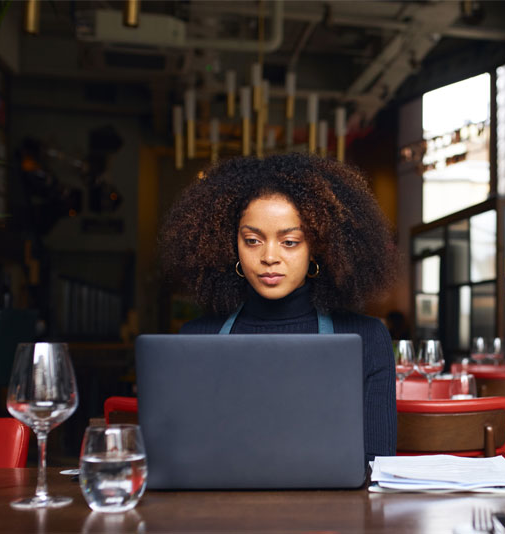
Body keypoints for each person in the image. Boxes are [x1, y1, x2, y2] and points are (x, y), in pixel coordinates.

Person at [160, 152, 398, 459]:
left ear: (318, 247)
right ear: (230, 244)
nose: (269, 257)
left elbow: (375, 464)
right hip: (221, 506)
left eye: (289, 241)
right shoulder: (194, 339)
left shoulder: (368, 338)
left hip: (334, 508)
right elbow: (181, 458)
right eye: (253, 240)